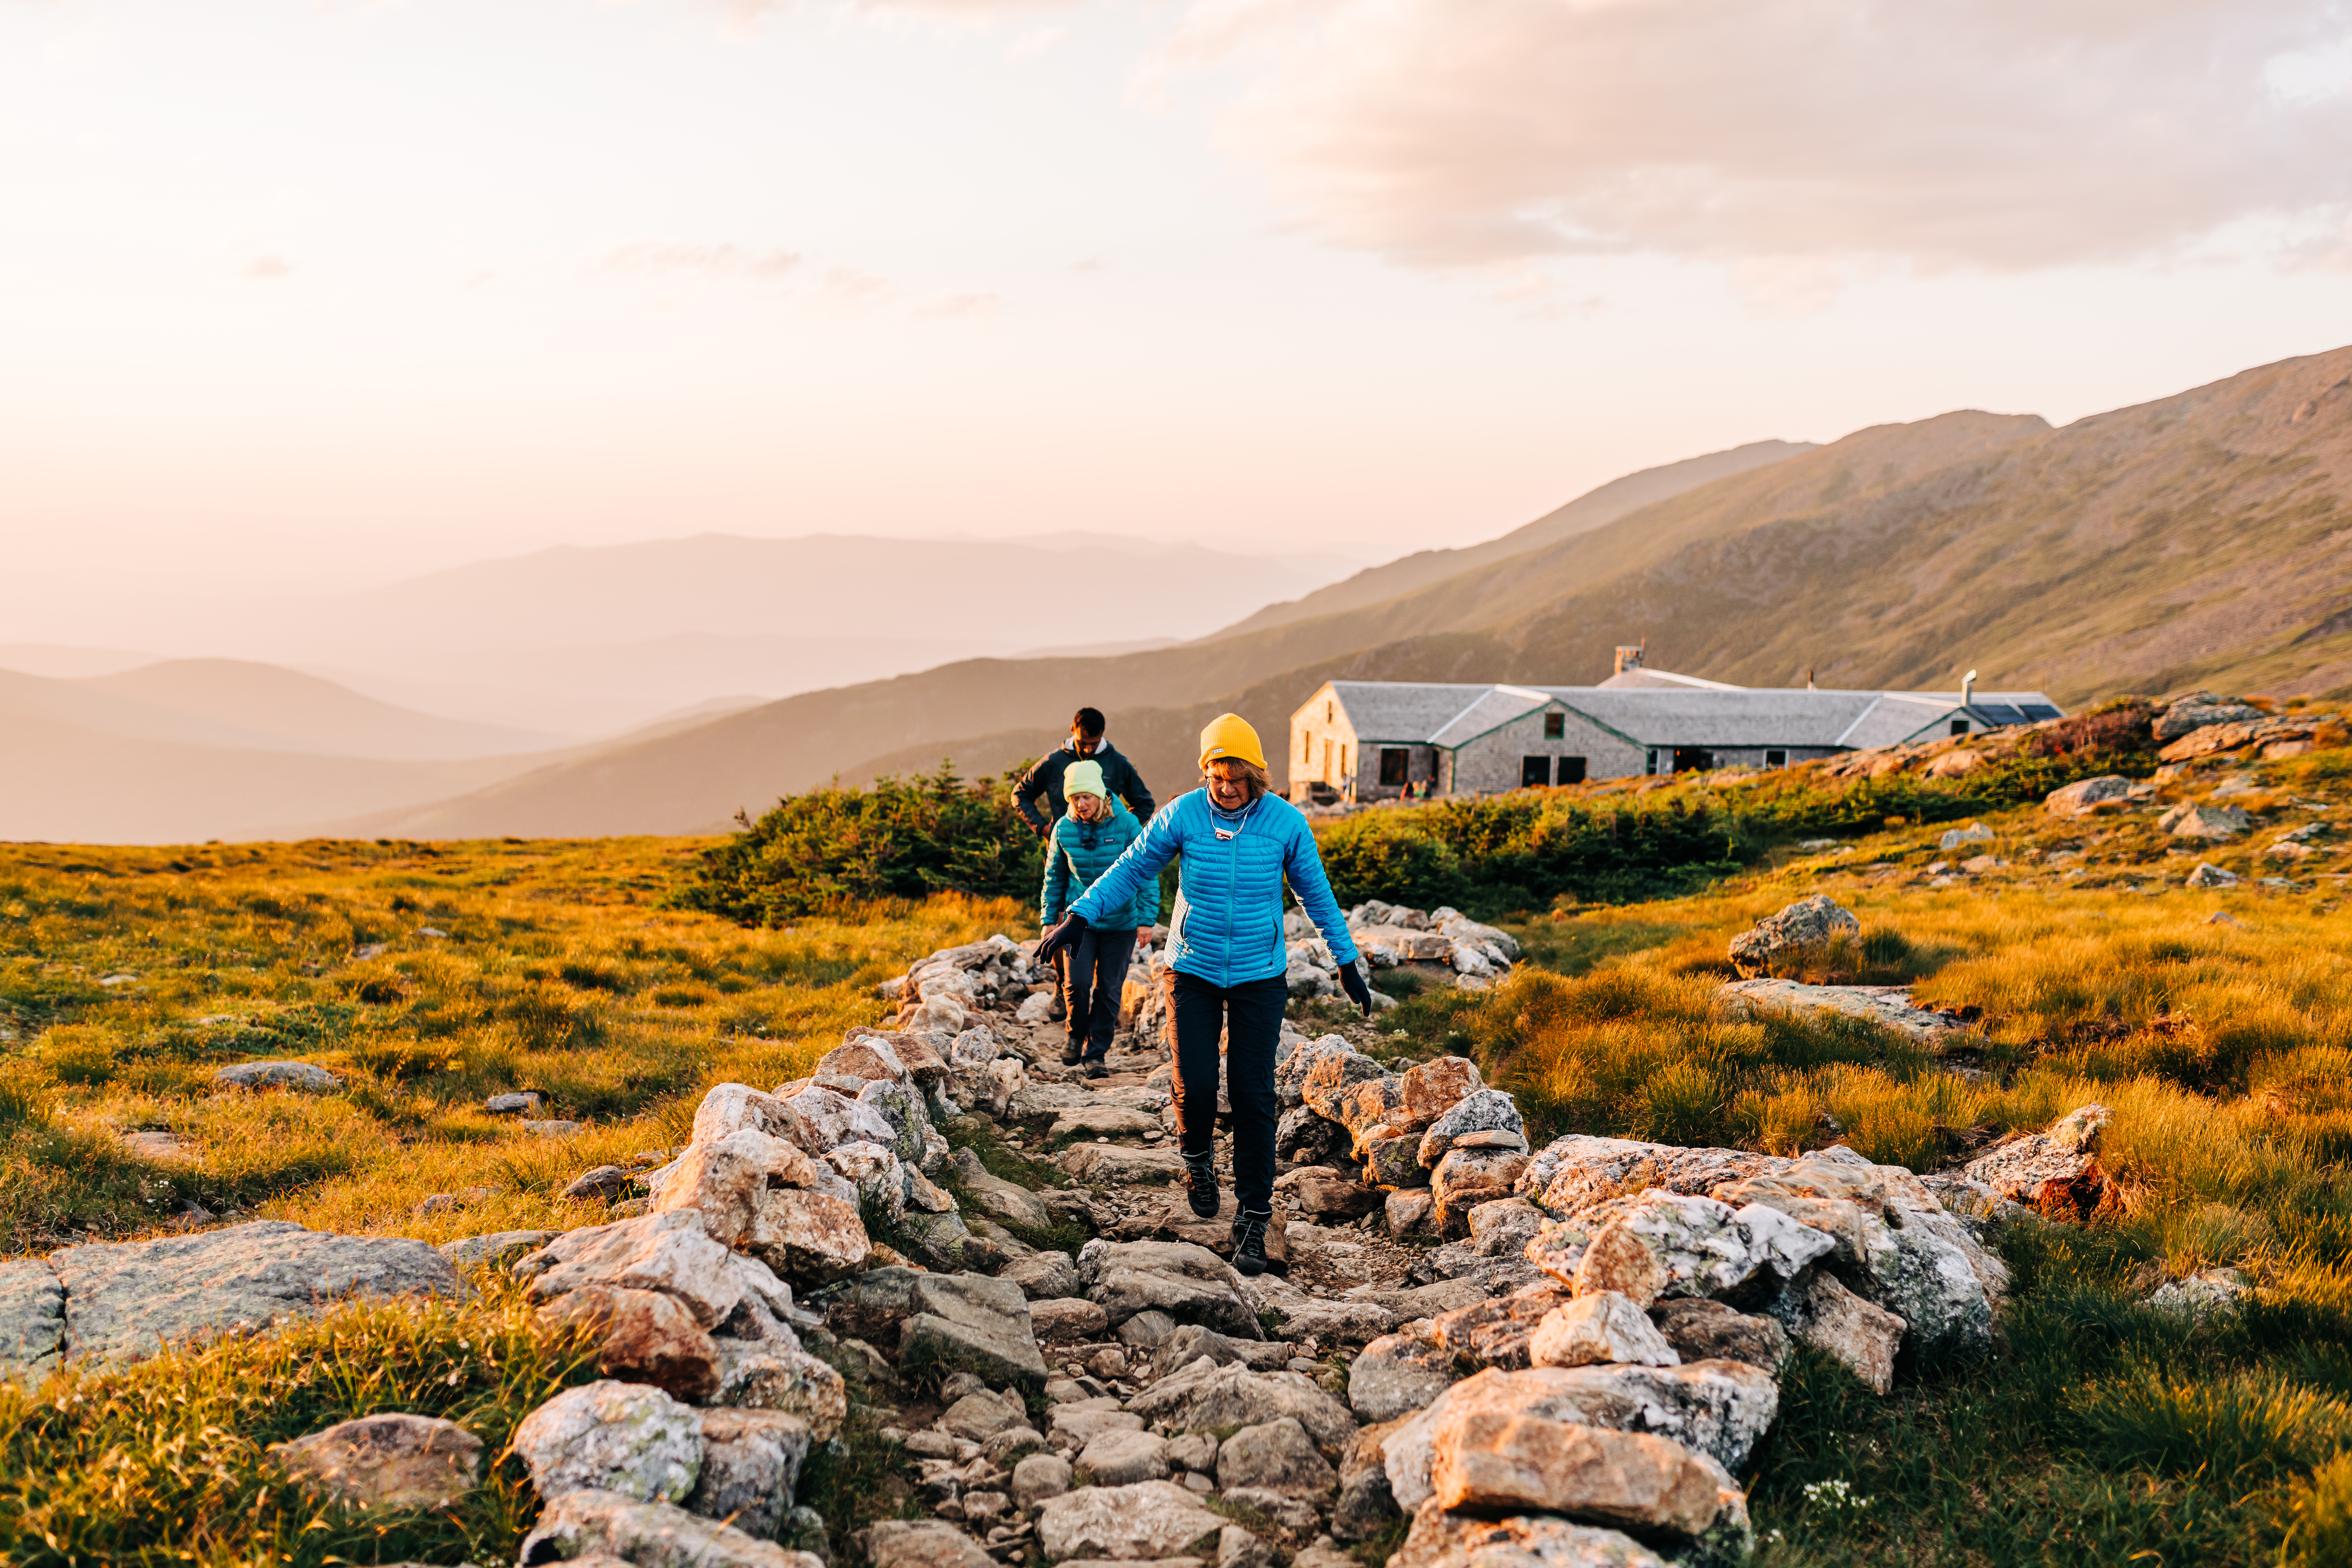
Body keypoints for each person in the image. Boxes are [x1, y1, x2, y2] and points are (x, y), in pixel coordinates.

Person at [1036, 712, 1372, 1277]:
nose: (1225, 789)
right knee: (1194, 1085)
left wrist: (1345, 960)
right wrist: (1079, 914)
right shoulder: (1184, 814)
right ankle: (1196, 1161)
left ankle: (1256, 1218)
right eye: (1216, 778)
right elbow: (1134, 864)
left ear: (1255, 777)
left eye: (1235, 779)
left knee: (1253, 1094)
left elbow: (1317, 892)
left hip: (1259, 975)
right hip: (1191, 969)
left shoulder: (1284, 823)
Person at [1040, 761, 1157, 1078]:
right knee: (1076, 983)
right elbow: (1055, 876)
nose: (1080, 805)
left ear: (1102, 795)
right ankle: (1076, 1033)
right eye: (1074, 799)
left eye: (1086, 797)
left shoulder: (1129, 824)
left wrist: (1146, 919)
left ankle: (1096, 1054)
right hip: (1081, 923)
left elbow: (1145, 872)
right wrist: (1050, 920)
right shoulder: (1064, 829)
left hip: (1122, 923)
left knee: (1109, 989)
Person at [1015, 707, 1157, 837]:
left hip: (1109, 855)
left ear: (1102, 733)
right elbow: (1020, 795)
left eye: (1094, 743)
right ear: (1072, 730)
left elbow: (1145, 804)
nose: (1088, 749)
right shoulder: (1053, 762)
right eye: (1082, 743)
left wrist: (1120, 831)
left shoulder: (1118, 764)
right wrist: (1043, 829)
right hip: (1064, 850)